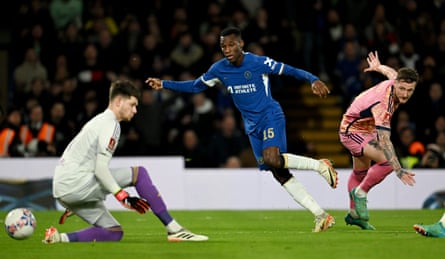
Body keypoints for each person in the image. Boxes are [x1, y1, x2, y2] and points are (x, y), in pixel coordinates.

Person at [146, 26, 338, 232]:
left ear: (241, 44)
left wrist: (313, 79)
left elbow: (289, 69)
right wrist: (164, 84)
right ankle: (321, 215)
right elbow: (195, 86)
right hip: (251, 126)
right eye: (223, 46)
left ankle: (320, 166)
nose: (227, 49)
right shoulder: (219, 69)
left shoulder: (257, 62)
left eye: (230, 45)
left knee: (273, 158)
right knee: (278, 172)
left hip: (270, 116)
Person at [42, 80, 208, 244]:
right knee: (139, 173)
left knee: (114, 232)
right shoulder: (111, 124)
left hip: (63, 187)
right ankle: (175, 229)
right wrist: (122, 195)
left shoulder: (98, 121)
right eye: (133, 104)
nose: (135, 110)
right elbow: (100, 169)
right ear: (119, 101)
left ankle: (58, 238)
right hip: (74, 183)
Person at [339, 51, 419, 230]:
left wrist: (378, 67)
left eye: (410, 90)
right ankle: (361, 193)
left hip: (364, 128)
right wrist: (399, 171)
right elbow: (385, 141)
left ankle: (354, 215)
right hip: (351, 130)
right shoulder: (383, 105)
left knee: (360, 172)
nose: (405, 94)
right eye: (402, 89)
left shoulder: (395, 80)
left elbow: (391, 73)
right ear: (396, 85)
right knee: (388, 162)